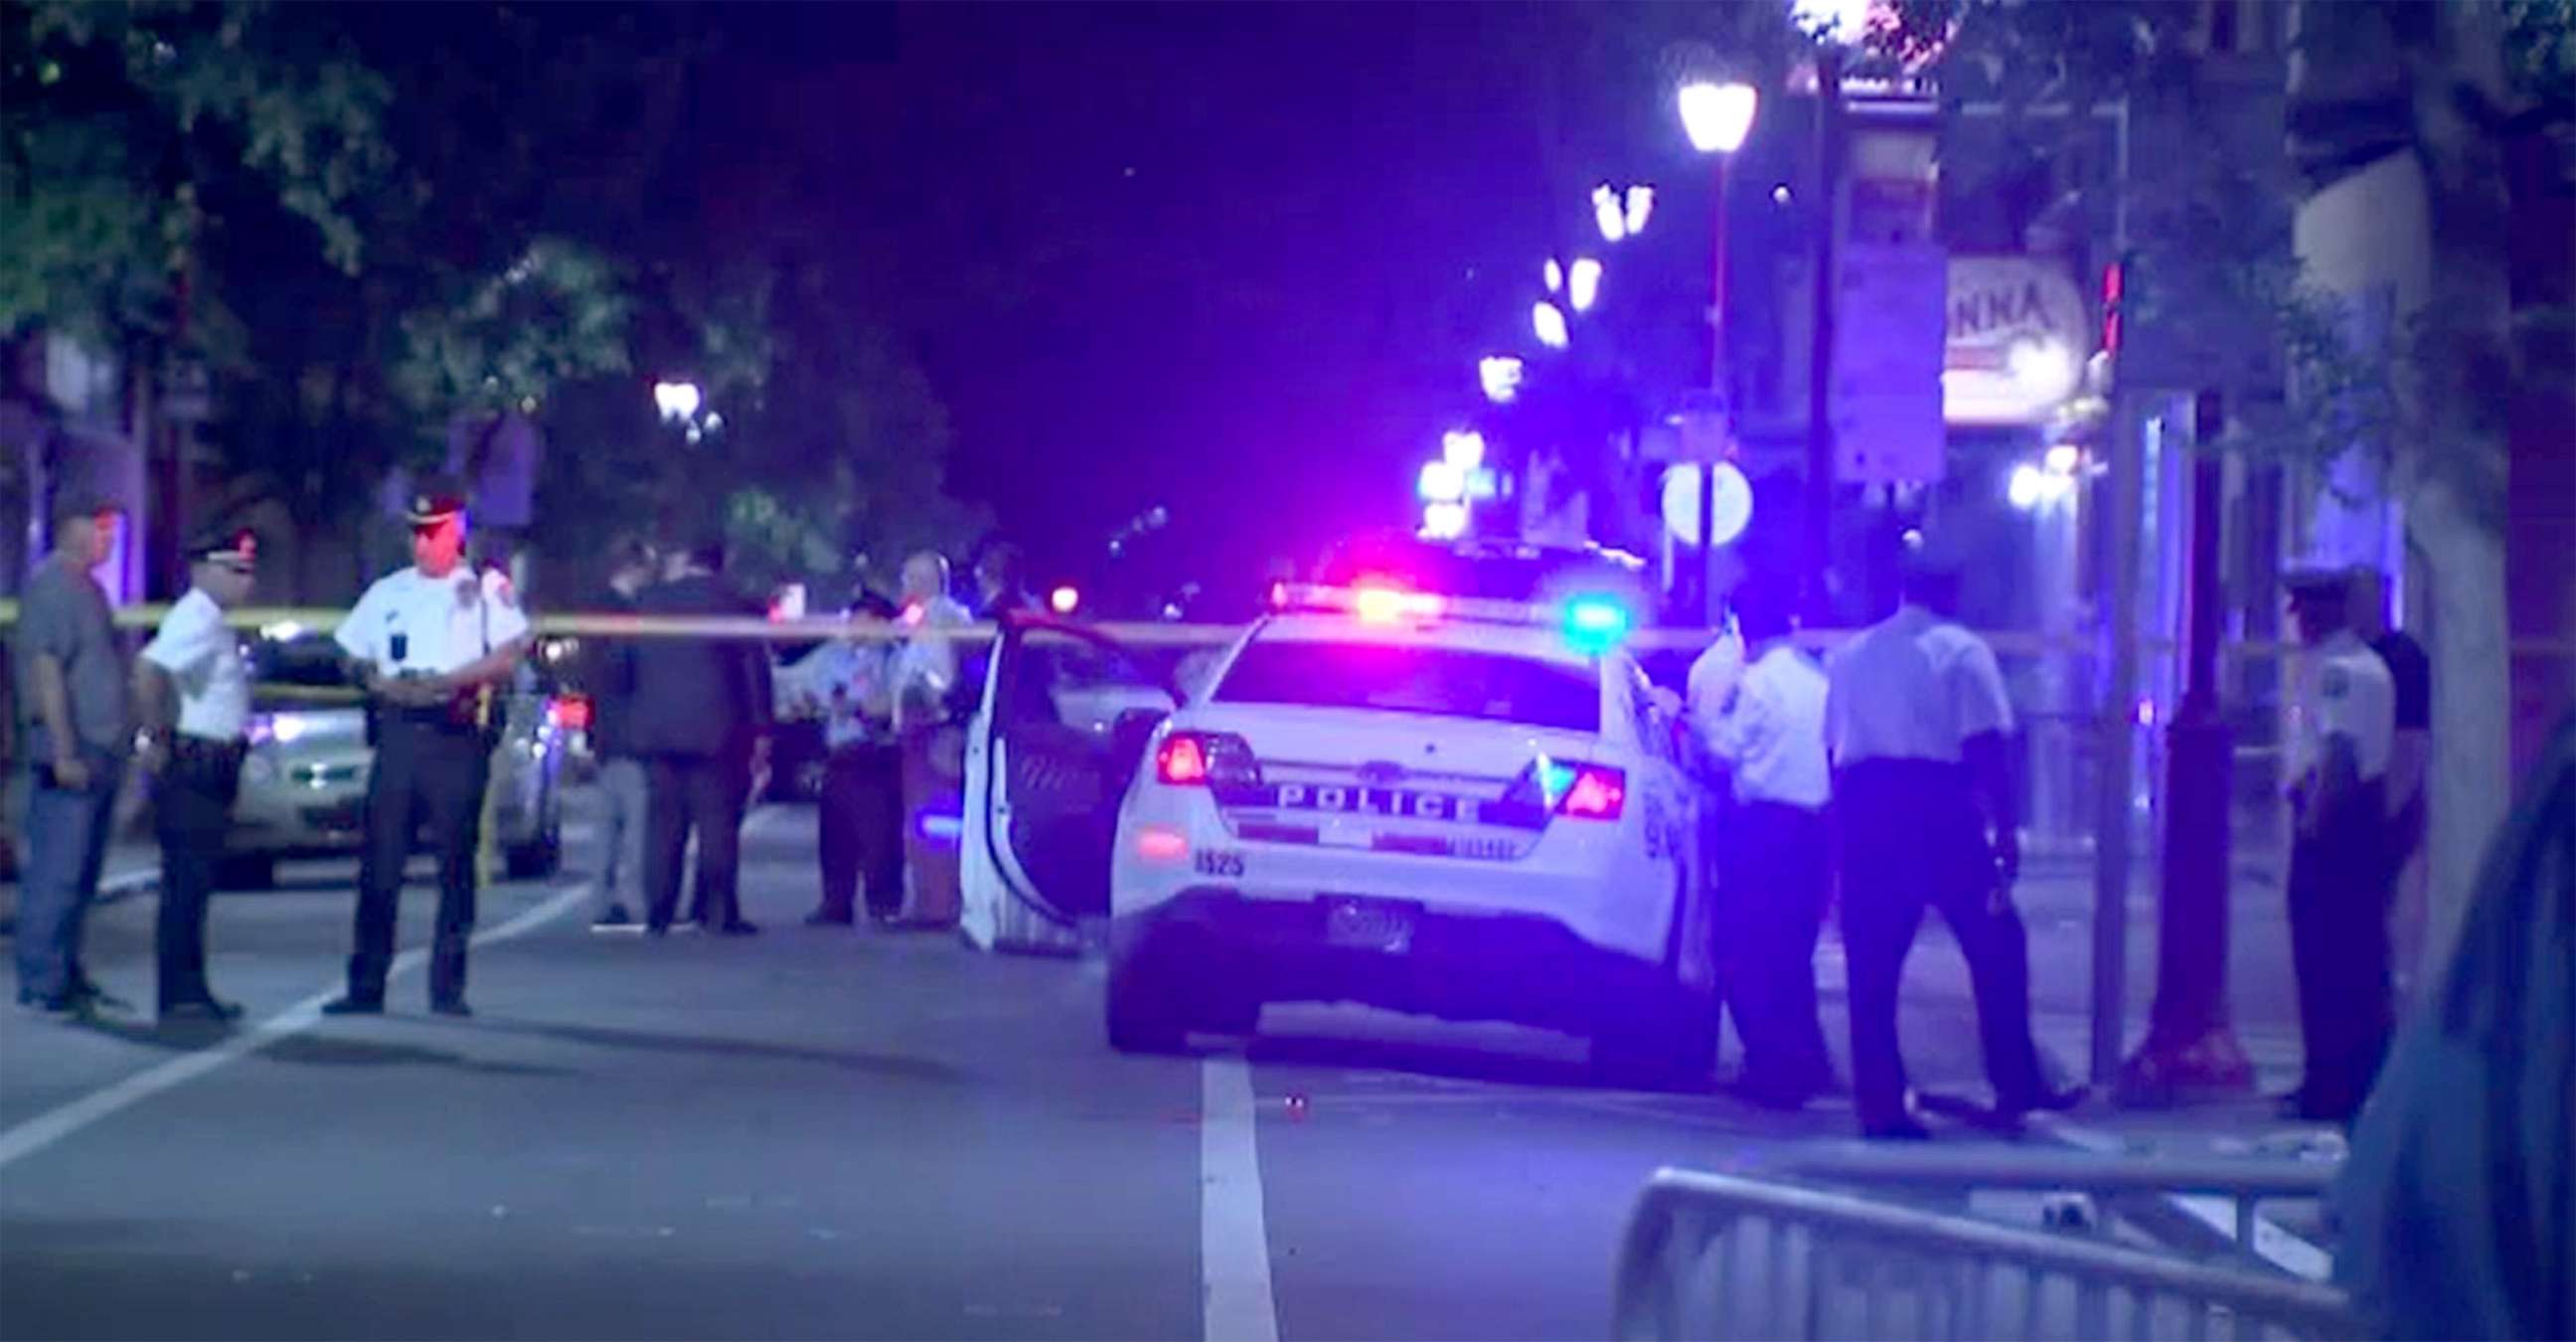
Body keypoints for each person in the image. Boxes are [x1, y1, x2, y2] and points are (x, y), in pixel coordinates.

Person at [1823, 540, 2081, 1139]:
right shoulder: (1963, 652)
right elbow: (1985, 744)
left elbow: (1834, 749)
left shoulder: (1850, 657)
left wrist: (1841, 841)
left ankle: (1880, 1105)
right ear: (1951, 592)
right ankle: (2015, 1081)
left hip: (1867, 805)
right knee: (1996, 948)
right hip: (1938, 806)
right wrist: (2005, 829)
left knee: (1873, 963)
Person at [324, 484, 530, 1018]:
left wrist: (447, 682)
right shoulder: (389, 591)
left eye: (432, 532)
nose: (422, 544)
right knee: (380, 865)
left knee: (455, 866)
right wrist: (378, 683)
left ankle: (448, 988)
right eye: (416, 533)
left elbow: (508, 656)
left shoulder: (486, 590)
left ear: (456, 530)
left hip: (454, 733)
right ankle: (365, 985)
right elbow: (351, 653)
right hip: (398, 731)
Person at [1694, 584, 1835, 1110]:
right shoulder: (1818, 682)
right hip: (1812, 832)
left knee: (1739, 950)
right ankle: (1803, 1061)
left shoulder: (1754, 684)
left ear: (1743, 627)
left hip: (1759, 831)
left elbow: (1729, 748)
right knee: (1792, 953)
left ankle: (1771, 1066)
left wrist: (1701, 727)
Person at [2278, 567, 2399, 1123]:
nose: (2297, 622)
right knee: (2350, 954)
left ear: (2322, 611)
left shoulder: (2340, 672)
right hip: (2355, 822)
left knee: (2326, 956)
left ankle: (2331, 1084)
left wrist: (2312, 822)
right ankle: (2335, 1078)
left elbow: (2339, 755)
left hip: (2337, 825)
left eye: (2303, 611)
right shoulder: (2357, 665)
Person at [11, 492, 136, 1017]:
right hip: (73, 749)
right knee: (57, 872)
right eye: (100, 527)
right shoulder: (54, 587)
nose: (109, 539)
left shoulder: (88, 588)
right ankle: (42, 979)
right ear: (70, 527)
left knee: (82, 874)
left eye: (113, 530)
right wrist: (63, 750)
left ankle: (66, 970)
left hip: (98, 748)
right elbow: (47, 672)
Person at [131, 527, 259, 1022]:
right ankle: (181, 994)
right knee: (186, 883)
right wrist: (155, 735)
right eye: (235, 569)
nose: (245, 582)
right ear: (204, 569)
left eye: (249, 571)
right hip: (195, 764)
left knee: (196, 882)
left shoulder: (212, 619)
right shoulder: (197, 616)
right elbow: (148, 668)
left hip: (212, 761)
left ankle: (190, 989)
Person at [623, 533, 771, 936]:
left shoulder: (648, 602)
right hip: (718, 731)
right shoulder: (733, 604)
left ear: (687, 558)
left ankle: (659, 911)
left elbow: (622, 666)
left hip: (656, 730)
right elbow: (753, 672)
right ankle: (718, 911)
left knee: (662, 826)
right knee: (717, 826)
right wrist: (762, 729)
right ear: (723, 562)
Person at [776, 591, 903, 927]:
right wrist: (804, 705)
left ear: (880, 623)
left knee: (879, 835)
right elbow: (803, 688)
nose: (852, 626)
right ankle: (835, 903)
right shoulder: (833, 655)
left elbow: (895, 705)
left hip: (875, 754)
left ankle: (883, 903)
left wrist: (862, 709)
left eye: (860, 619)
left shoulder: (893, 658)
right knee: (835, 834)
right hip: (838, 753)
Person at [2350, 564, 2432, 991]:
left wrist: (2388, 810)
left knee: (2375, 900)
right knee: (2367, 905)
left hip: (2385, 802)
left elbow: (2410, 742)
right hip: (2368, 802)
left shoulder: (2402, 660)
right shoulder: (2357, 658)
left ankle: (2376, 985)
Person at [889, 551, 974, 926]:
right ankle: (931, 900)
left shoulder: (938, 619)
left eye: (908, 579)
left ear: (924, 582)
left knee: (931, 823)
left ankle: (936, 904)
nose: (903, 586)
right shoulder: (936, 618)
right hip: (930, 736)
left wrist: (916, 706)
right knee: (928, 823)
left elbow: (937, 679)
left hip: (931, 738)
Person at [585, 536, 657, 930]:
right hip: (630, 730)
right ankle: (632, 903)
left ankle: (602, 900)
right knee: (634, 826)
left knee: (607, 824)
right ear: (634, 569)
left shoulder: (594, 610)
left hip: (606, 730)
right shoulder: (626, 616)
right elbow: (626, 672)